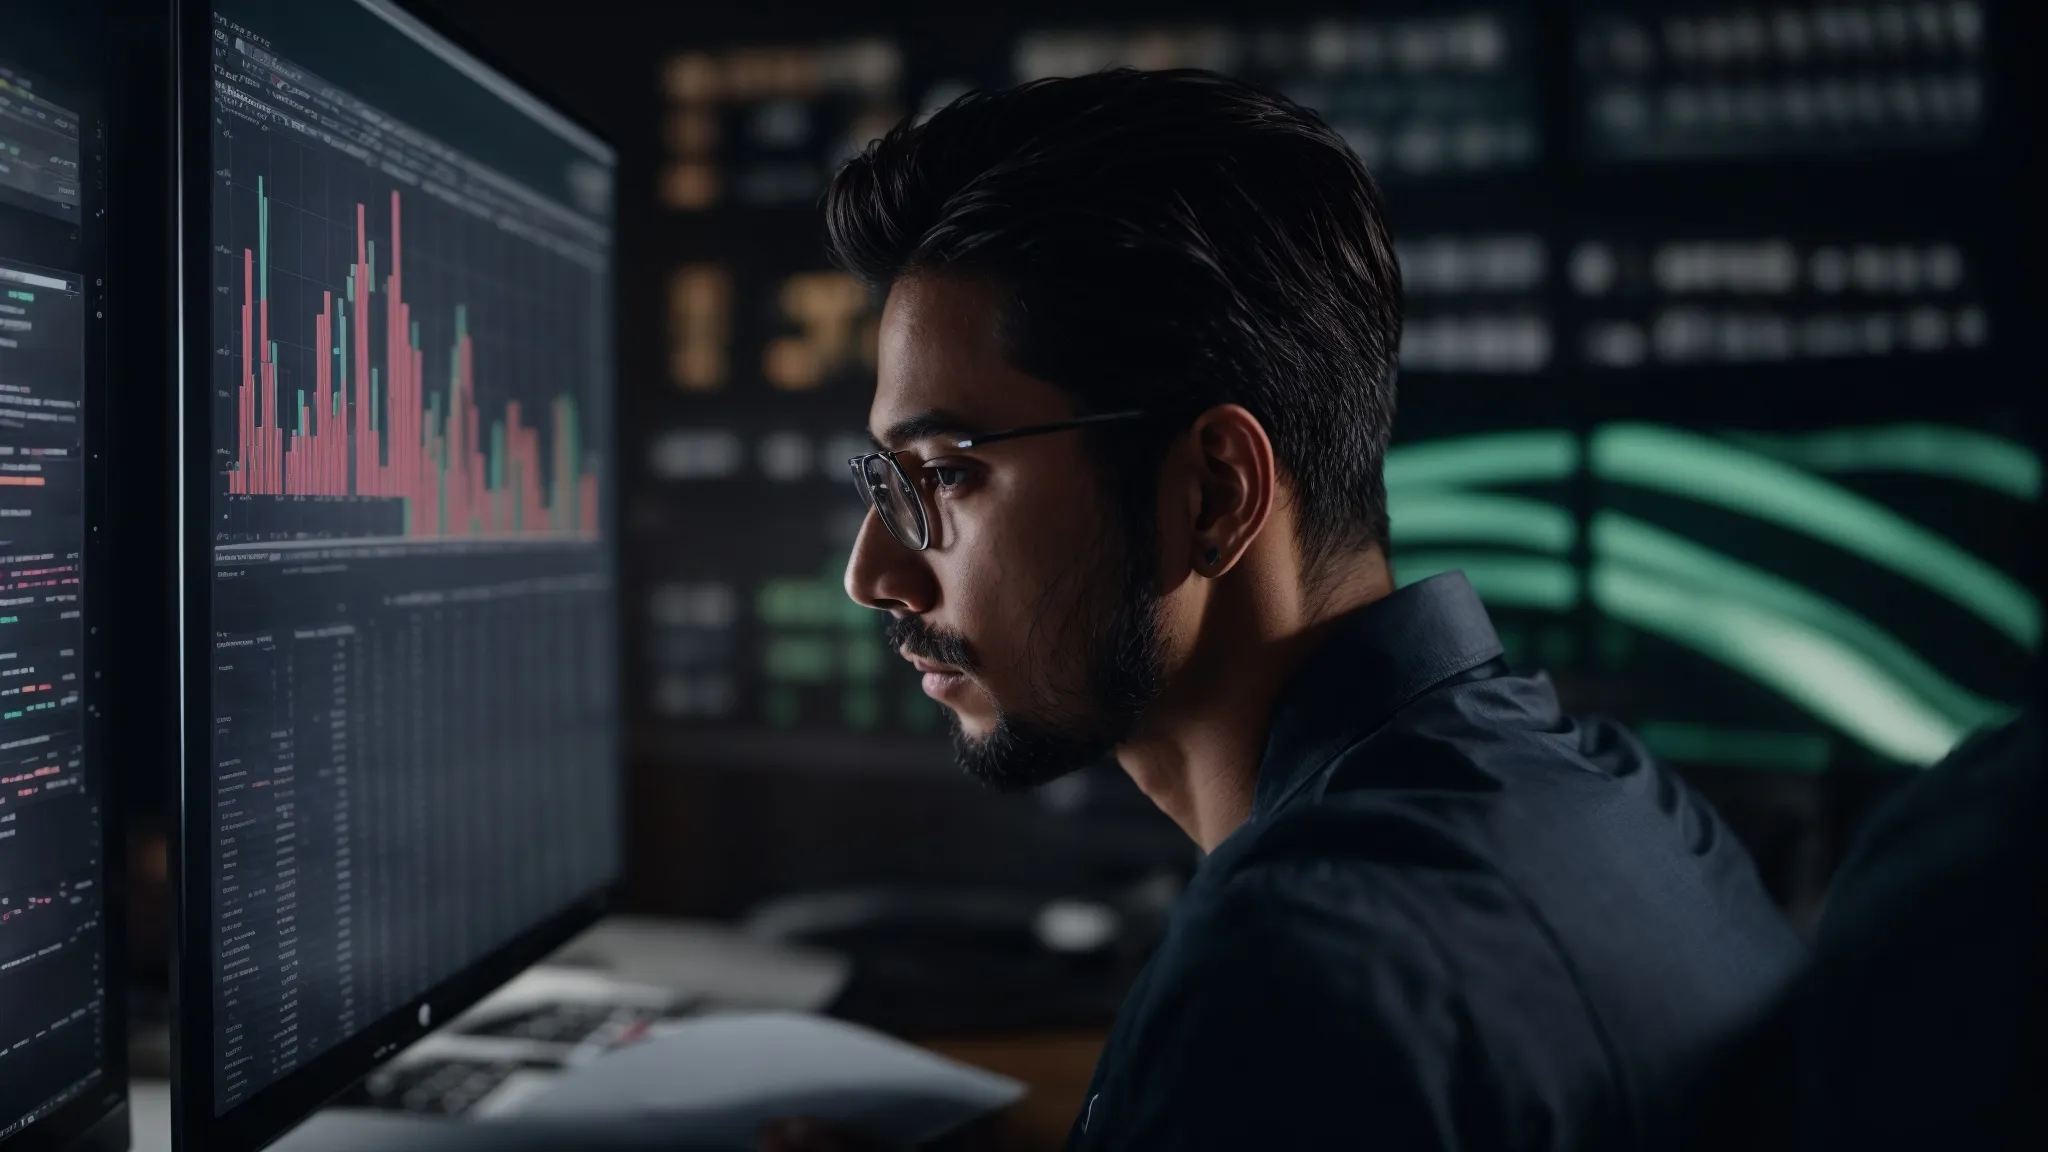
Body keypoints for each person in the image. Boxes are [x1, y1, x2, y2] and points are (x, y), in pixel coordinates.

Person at [768, 68, 1805, 1150]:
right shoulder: (1621, 803)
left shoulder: (1285, 970)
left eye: (942, 474)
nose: (872, 571)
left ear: (1215, 492)